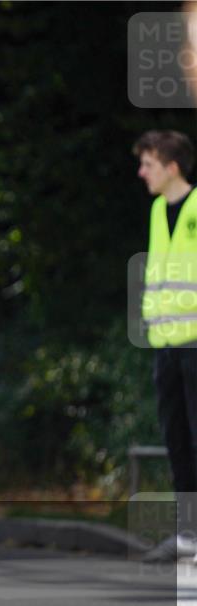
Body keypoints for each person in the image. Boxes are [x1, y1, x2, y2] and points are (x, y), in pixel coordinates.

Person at [133, 130, 197, 563]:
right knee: (177, 439)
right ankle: (190, 534)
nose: (142, 172)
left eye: (149, 164)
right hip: (166, 345)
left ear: (172, 167)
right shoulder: (158, 211)